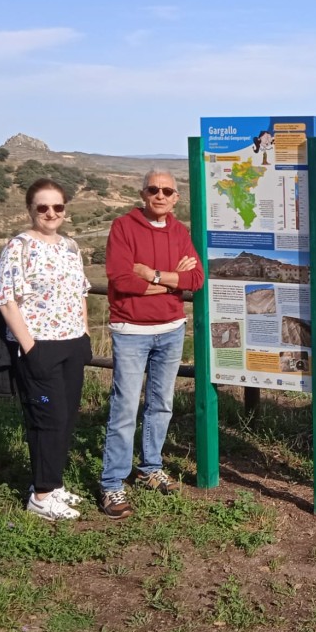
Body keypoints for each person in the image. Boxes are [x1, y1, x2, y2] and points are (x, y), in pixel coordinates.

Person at [98, 170, 205, 519]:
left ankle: (149, 468)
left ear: (176, 197)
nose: (160, 195)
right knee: (125, 407)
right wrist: (172, 282)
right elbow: (121, 278)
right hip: (131, 330)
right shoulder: (123, 227)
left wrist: (154, 275)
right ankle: (112, 483)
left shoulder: (179, 231)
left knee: (161, 404)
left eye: (167, 190)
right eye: (153, 189)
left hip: (171, 329)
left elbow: (197, 278)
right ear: (143, 193)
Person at [0, 179, 92, 520]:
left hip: (71, 343)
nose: (51, 213)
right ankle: (41, 496)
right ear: (30, 210)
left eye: (57, 207)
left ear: (65, 210)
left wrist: (84, 335)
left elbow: (79, 292)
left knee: (64, 418)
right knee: (46, 417)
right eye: (43, 207)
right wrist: (30, 348)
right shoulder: (18, 246)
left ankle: (53, 483)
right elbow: (7, 301)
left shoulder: (70, 246)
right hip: (39, 346)